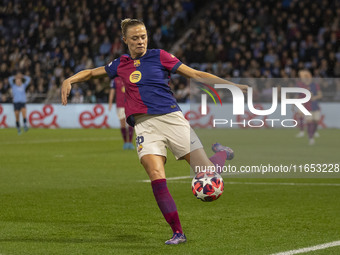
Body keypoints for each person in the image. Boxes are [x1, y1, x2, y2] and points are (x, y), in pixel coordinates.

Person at [61, 18, 247, 245]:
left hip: (172, 120)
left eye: (143, 37)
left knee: (209, 177)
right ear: (125, 40)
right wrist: (69, 80)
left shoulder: (160, 56)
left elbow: (196, 75)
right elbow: (91, 73)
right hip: (144, 127)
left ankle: (222, 153)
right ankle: (178, 232)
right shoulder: (120, 64)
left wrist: (233, 85)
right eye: (135, 38)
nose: (141, 41)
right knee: (156, 176)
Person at [297, 70, 322, 145]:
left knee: (316, 122)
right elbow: (300, 95)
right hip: (307, 106)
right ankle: (310, 138)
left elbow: (320, 95)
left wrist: (314, 97)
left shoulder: (315, 85)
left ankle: (313, 133)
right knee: (309, 122)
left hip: (315, 106)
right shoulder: (302, 86)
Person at [108, 76, 134, 150]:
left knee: (130, 123)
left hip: (129, 104)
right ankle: (125, 142)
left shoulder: (129, 76)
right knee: (122, 124)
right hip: (120, 105)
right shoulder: (115, 80)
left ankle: (130, 142)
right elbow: (112, 91)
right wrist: (110, 102)